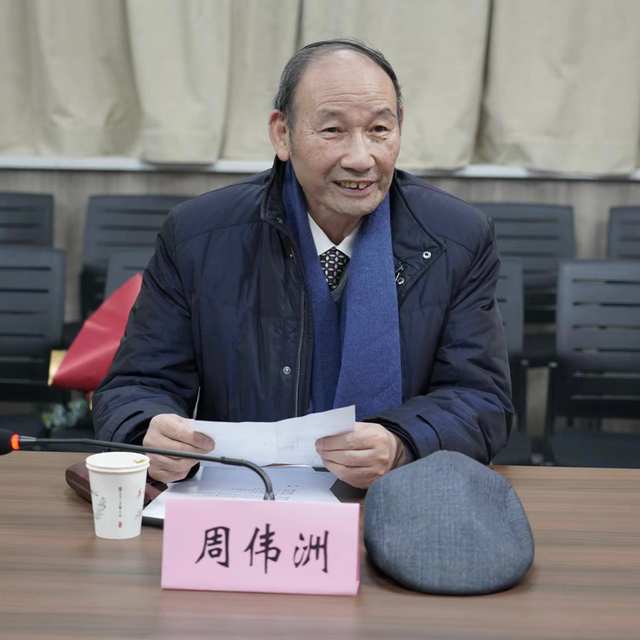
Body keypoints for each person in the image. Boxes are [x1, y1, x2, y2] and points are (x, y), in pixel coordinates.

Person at [93, 39, 513, 488]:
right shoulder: (197, 235)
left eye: (379, 130)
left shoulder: (457, 238)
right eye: (333, 130)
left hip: (395, 497)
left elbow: (481, 399)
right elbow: (135, 386)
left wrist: (402, 442)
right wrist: (148, 431)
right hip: (243, 496)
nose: (361, 158)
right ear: (282, 134)